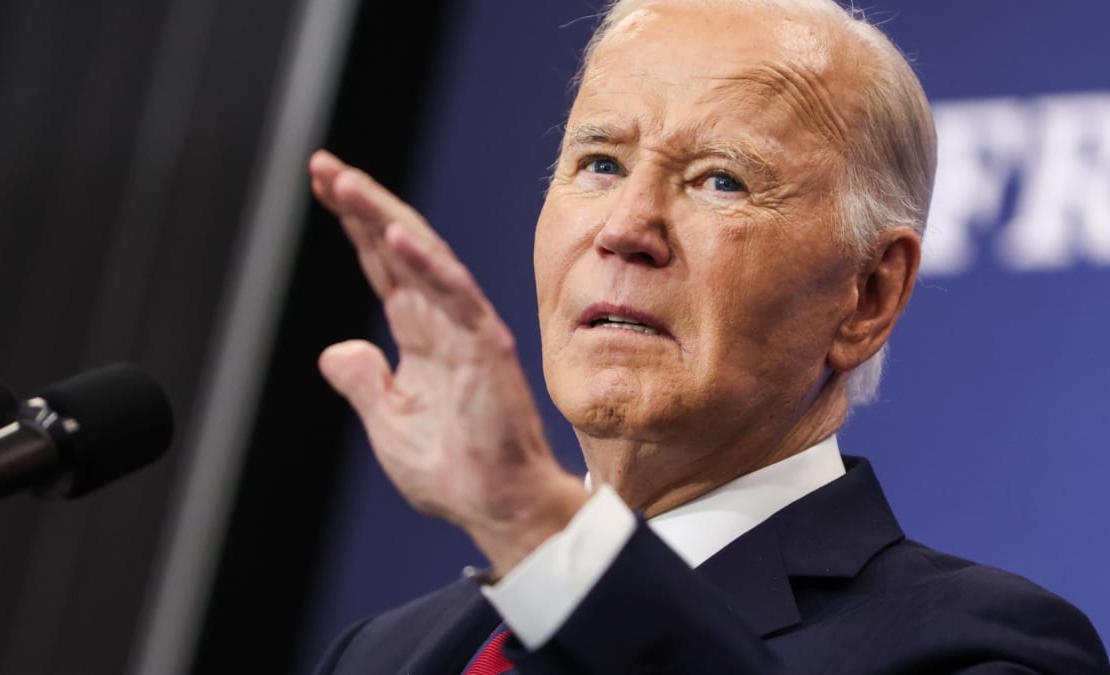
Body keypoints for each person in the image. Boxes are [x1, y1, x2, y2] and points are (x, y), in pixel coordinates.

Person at [307, 0, 1110, 672]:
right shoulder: (384, 653)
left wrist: (543, 538)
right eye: (600, 163)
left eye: (720, 180)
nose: (626, 229)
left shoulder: (983, 651)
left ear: (867, 295)